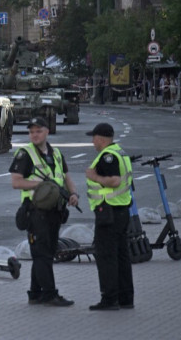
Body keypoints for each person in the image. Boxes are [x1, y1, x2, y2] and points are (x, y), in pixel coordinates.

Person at [10, 117, 79, 307]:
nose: (34, 135)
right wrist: (42, 185)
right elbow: (16, 182)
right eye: (31, 132)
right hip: (35, 211)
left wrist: (73, 194)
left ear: (47, 132)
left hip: (54, 211)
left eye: (38, 131)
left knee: (46, 253)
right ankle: (49, 294)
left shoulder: (56, 153)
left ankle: (35, 293)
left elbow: (66, 177)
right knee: (42, 255)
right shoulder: (25, 154)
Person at [85, 123, 134, 311]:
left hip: (109, 211)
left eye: (94, 137)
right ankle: (125, 298)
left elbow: (114, 180)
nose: (92, 141)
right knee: (122, 255)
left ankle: (109, 298)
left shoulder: (108, 156)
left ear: (101, 138)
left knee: (106, 256)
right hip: (121, 210)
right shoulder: (120, 152)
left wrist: (94, 177)